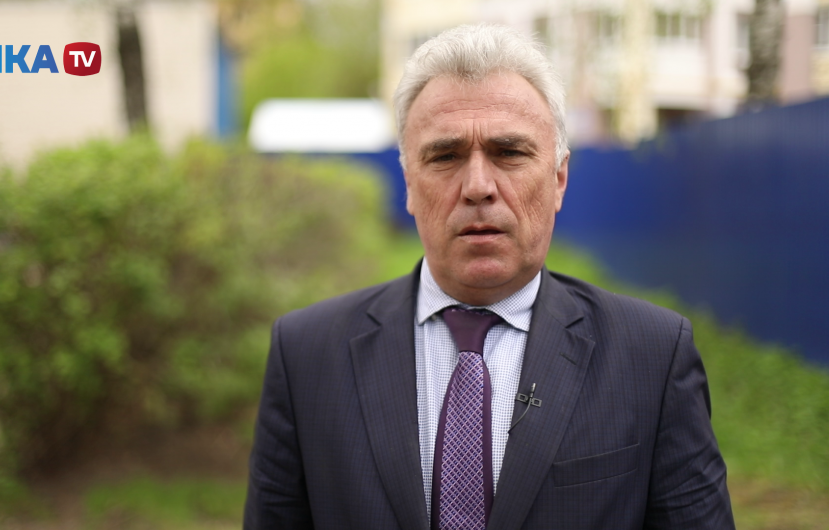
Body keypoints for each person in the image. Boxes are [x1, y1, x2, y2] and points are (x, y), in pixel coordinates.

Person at [244, 23, 735, 530]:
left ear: (559, 178)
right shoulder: (306, 356)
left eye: (509, 152)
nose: (478, 186)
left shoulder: (652, 356)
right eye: (445, 156)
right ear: (409, 183)